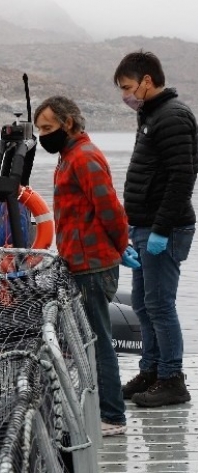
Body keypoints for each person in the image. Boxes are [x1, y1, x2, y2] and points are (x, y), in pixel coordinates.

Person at [34, 95, 138, 437]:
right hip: (79, 262)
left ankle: (113, 416)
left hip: (94, 266)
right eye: (39, 130)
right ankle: (103, 408)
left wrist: (122, 247)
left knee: (99, 341)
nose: (43, 135)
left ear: (68, 123)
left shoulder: (84, 157)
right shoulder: (68, 156)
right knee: (90, 340)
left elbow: (109, 208)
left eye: (47, 128)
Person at [114, 51, 198, 408]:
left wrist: (162, 229)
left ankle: (172, 379)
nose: (126, 96)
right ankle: (150, 370)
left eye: (129, 87)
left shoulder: (173, 117)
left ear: (148, 80)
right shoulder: (151, 115)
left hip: (165, 229)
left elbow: (183, 177)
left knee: (160, 305)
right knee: (145, 306)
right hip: (144, 227)